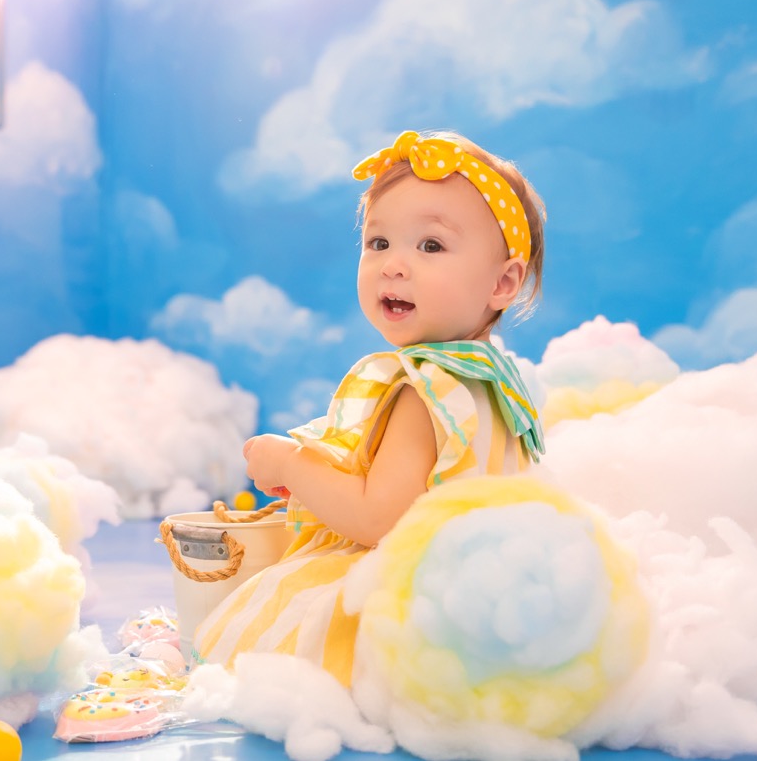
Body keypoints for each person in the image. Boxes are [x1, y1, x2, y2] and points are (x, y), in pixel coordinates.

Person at [192, 129, 548, 687]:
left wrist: (291, 465)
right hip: (480, 601)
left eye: (430, 246)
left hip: (408, 612)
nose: (393, 265)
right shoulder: (494, 381)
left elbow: (377, 520)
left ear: (503, 282)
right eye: (379, 242)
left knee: (260, 624)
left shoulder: (422, 391)